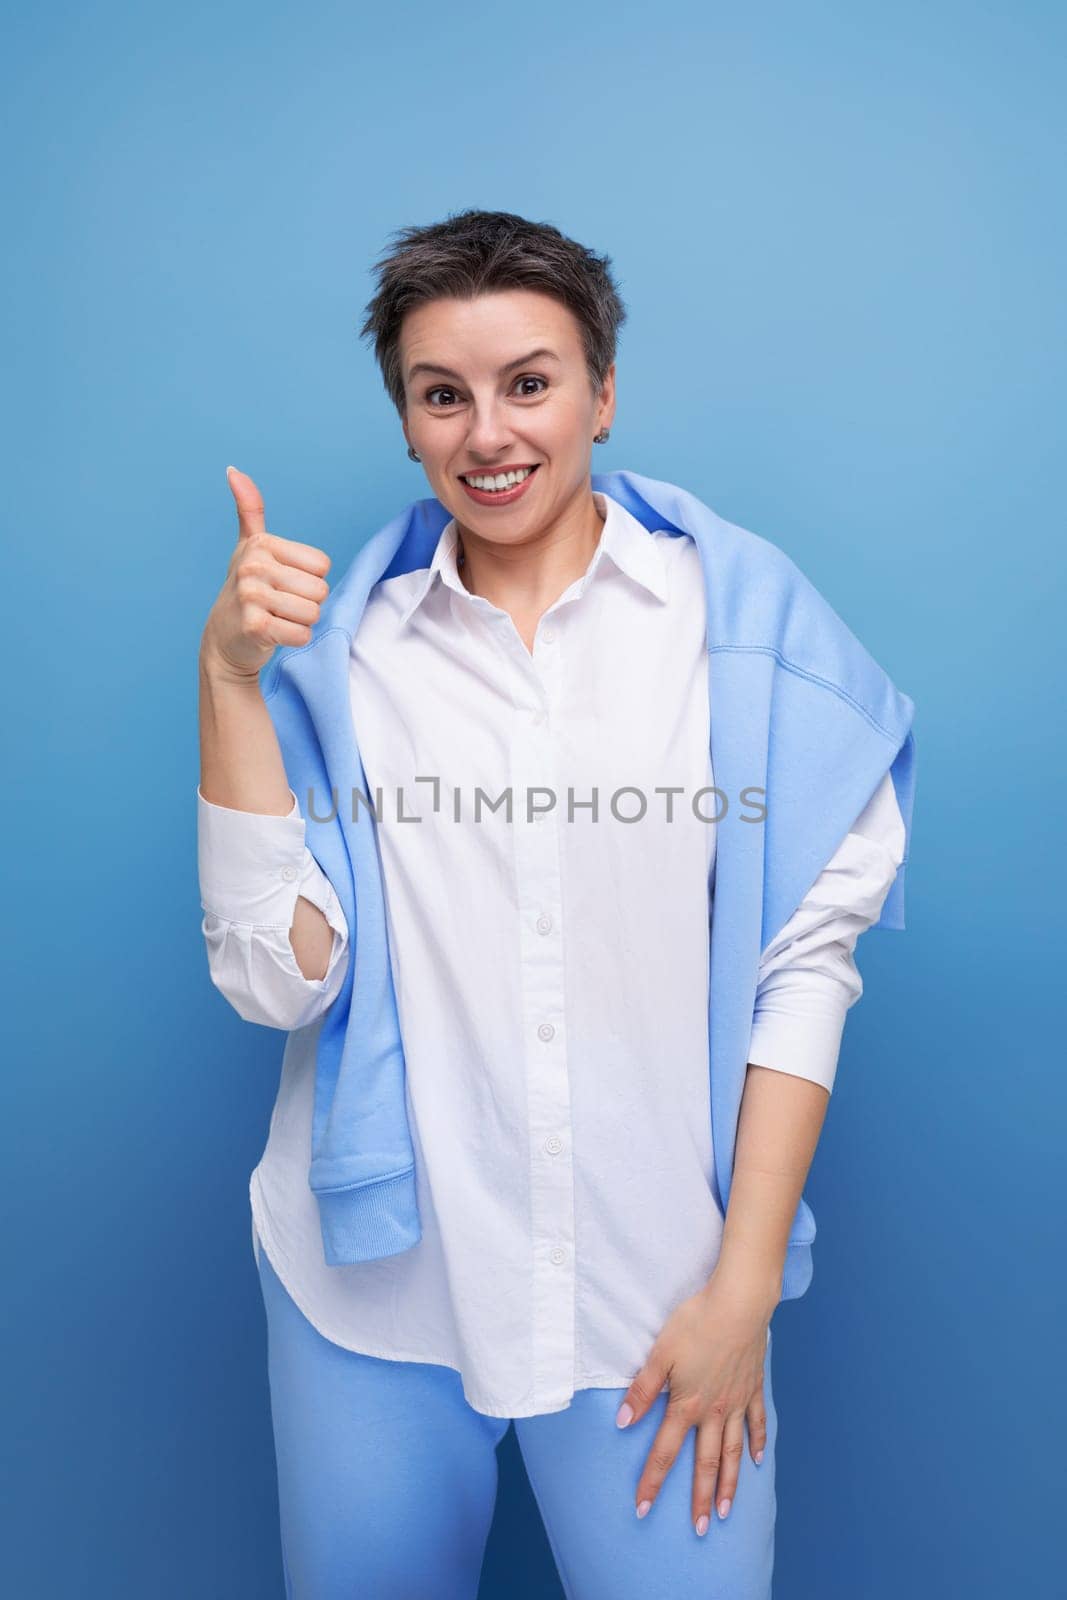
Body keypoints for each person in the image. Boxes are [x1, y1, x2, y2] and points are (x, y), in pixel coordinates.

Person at [197, 208, 914, 1599]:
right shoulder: (337, 665)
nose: (489, 433)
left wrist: (744, 1289)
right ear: (406, 421)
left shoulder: (744, 640)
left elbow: (803, 971)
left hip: (661, 1301)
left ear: (600, 389)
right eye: (442, 394)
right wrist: (228, 682)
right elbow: (276, 987)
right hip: (378, 1297)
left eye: (529, 381)